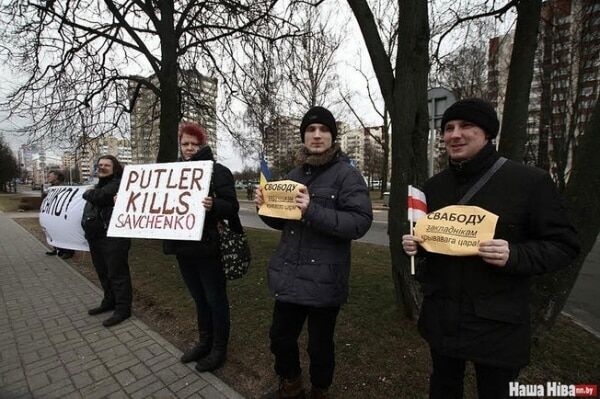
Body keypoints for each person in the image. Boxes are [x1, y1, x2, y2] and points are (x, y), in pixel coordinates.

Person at [401, 98, 580, 399]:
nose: (455, 134)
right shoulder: (433, 188)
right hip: (443, 317)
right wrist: (418, 247)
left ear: (487, 133)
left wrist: (516, 254)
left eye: (466, 126)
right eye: (448, 128)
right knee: (443, 387)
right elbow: (436, 246)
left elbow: (564, 245)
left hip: (499, 324)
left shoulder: (529, 182)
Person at [255, 106, 373, 399]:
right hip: (290, 275)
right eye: (311, 129)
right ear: (304, 136)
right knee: (280, 338)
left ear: (332, 136)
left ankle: (320, 391)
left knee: (320, 346)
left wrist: (312, 210)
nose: (317, 135)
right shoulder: (294, 174)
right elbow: (282, 221)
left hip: (324, 278)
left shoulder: (347, 175)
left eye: (323, 130)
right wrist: (264, 207)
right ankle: (291, 385)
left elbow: (359, 222)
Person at [166, 122, 239, 372]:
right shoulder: (174, 172)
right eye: (185, 144)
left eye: (193, 144)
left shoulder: (218, 172)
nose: (188, 149)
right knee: (199, 299)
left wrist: (214, 204)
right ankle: (204, 342)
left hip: (209, 249)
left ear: (202, 144)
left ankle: (219, 348)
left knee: (215, 299)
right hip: (183, 249)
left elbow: (232, 206)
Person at [82, 155, 133, 327]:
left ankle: (123, 309)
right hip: (96, 236)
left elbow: (100, 197)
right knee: (103, 272)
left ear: (115, 168)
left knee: (117, 274)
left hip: (114, 236)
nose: (102, 167)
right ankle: (109, 301)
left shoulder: (119, 183)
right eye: (100, 164)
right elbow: (98, 197)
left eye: (106, 165)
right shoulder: (99, 184)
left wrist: (88, 193)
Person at [43, 170, 75, 259]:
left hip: (61, 214)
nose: (48, 177)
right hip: (52, 214)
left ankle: (68, 251)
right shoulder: (51, 188)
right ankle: (57, 248)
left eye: (50, 176)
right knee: (54, 231)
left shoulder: (64, 187)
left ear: (56, 177)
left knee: (63, 232)